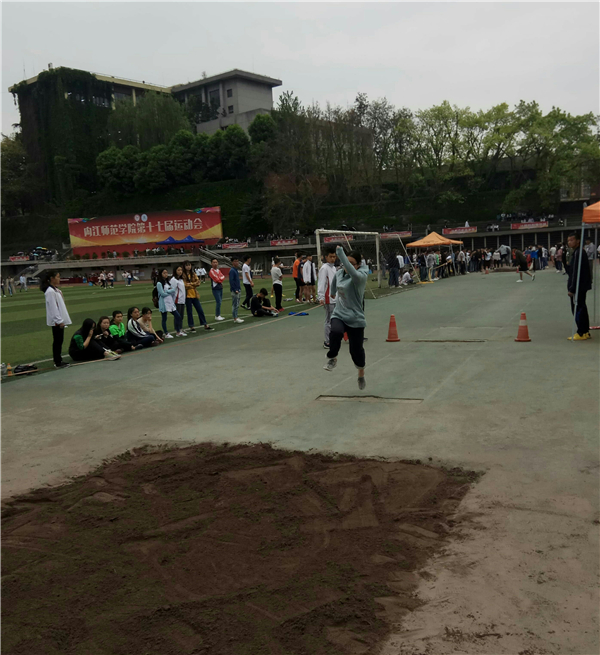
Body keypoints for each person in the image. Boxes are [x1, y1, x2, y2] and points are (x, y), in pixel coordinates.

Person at [323, 246, 368, 390]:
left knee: (356, 351)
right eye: (345, 263)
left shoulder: (360, 276)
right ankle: (332, 358)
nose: (347, 266)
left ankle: (361, 373)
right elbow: (335, 281)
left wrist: (340, 253)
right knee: (335, 332)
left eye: (351, 264)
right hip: (340, 313)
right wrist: (332, 292)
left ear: (358, 265)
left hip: (355, 317)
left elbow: (352, 272)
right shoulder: (340, 273)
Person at [42, 270, 72, 369]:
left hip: (59, 319)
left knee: (59, 340)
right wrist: (59, 321)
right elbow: (53, 307)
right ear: (52, 278)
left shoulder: (55, 290)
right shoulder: (50, 291)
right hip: (56, 321)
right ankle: (57, 361)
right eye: (57, 277)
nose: (59, 279)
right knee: (58, 341)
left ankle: (58, 360)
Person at [567, 232, 592, 340]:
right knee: (582, 307)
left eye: (572, 240)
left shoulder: (578, 253)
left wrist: (572, 288)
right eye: (568, 240)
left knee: (577, 309)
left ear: (578, 241)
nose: (569, 242)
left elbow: (576, 273)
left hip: (578, 287)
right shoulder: (579, 252)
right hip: (582, 285)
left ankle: (581, 332)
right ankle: (585, 331)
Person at [182, 261, 213, 332]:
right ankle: (191, 326)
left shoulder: (193, 274)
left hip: (195, 295)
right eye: (187, 265)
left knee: (200, 310)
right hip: (187, 296)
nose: (188, 267)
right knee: (189, 312)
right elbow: (184, 285)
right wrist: (193, 284)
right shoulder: (183, 275)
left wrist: (191, 284)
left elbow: (198, 282)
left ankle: (205, 324)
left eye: (189, 265)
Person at [318, 246, 337, 348]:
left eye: (334, 256)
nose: (333, 259)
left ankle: (334, 338)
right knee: (329, 320)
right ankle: (327, 341)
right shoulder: (324, 268)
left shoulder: (334, 268)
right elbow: (321, 283)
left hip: (335, 298)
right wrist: (321, 297)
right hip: (328, 298)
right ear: (326, 257)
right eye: (331, 257)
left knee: (335, 319)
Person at [157, 268, 185, 338]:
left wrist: (168, 291)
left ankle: (178, 331)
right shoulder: (159, 283)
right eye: (164, 273)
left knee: (178, 316)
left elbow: (173, 290)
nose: (166, 274)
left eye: (166, 273)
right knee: (164, 318)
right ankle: (166, 333)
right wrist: (169, 292)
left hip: (170, 302)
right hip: (164, 303)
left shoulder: (168, 282)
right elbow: (162, 294)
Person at [229, 255, 244, 324]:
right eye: (235, 261)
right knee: (235, 305)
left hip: (238, 289)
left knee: (237, 304)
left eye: (237, 261)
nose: (237, 263)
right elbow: (231, 281)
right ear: (232, 262)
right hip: (235, 290)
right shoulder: (232, 270)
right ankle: (235, 318)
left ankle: (236, 317)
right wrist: (235, 289)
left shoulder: (235, 270)